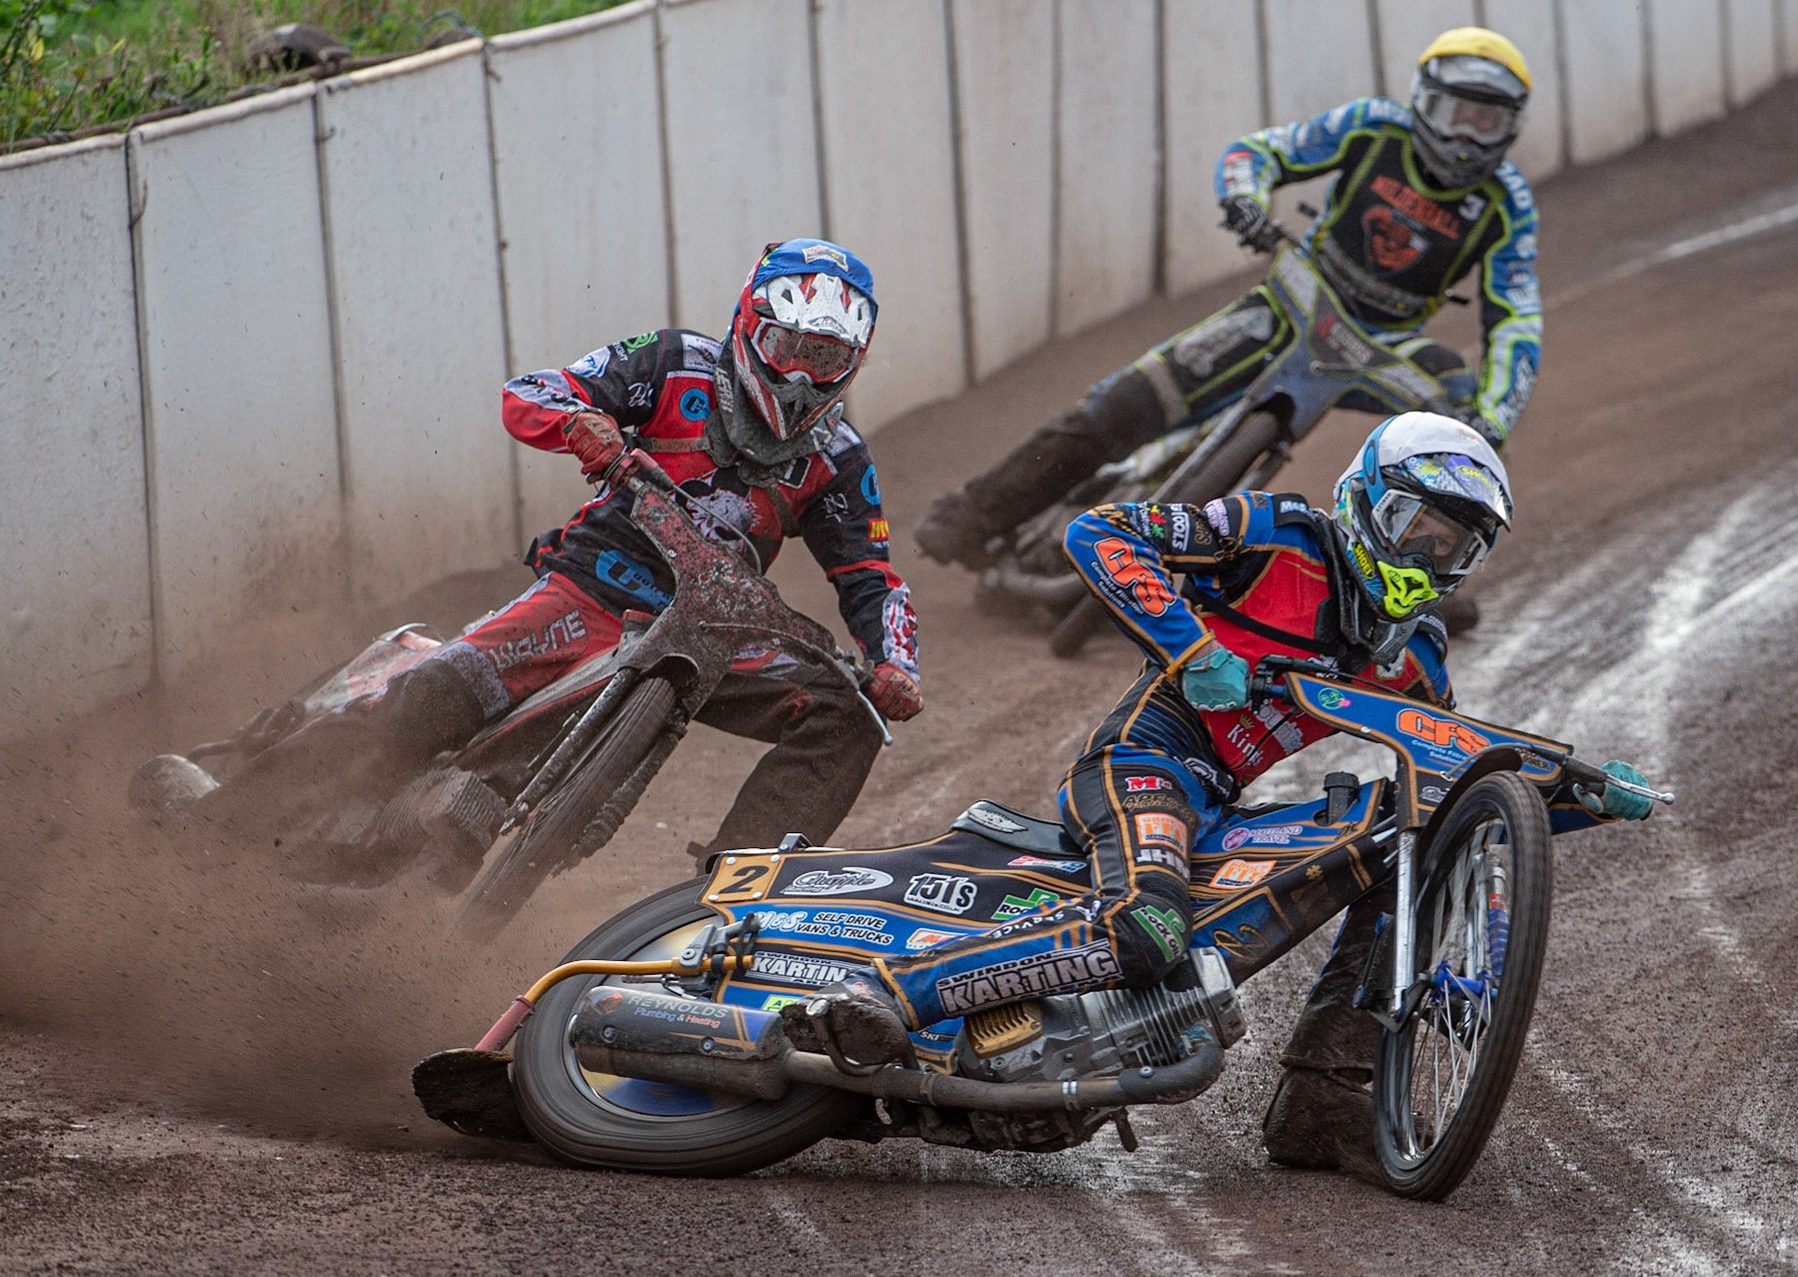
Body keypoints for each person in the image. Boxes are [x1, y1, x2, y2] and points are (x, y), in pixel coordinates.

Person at [783, 413, 1651, 1179]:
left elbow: (1458, 782)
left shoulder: (1415, 650)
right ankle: (892, 998)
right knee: (1146, 927)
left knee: (1404, 830)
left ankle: (1325, 1099)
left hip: (1221, 804)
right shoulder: (1275, 533)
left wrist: (1583, 796)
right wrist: (1192, 649)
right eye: (1415, 527)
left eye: (1452, 546)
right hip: (1142, 762)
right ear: (1365, 499)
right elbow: (1102, 533)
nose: (1426, 556)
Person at [156, 238, 920, 871]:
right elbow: (532, 391)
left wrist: (893, 663)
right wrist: (585, 425)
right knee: (434, 698)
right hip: (593, 591)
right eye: (787, 346)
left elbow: (872, 578)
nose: (797, 375)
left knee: (847, 714)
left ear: (853, 359)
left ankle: (727, 898)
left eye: (822, 356)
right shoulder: (673, 362)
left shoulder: (838, 457)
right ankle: (212, 834)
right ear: (752, 325)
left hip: (717, 635)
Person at [914, 27, 1543, 584]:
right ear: (1421, 100)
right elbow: (1263, 150)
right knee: (1128, 400)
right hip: (1296, 298)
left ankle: (1417, 589)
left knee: (1462, 442)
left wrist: (1493, 418)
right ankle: (972, 515)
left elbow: (1517, 316)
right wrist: (1244, 199)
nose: (1464, 136)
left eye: (1484, 122)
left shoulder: (1508, 204)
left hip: (1389, 343)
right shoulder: (1371, 125)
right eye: (1453, 113)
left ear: (1510, 127)